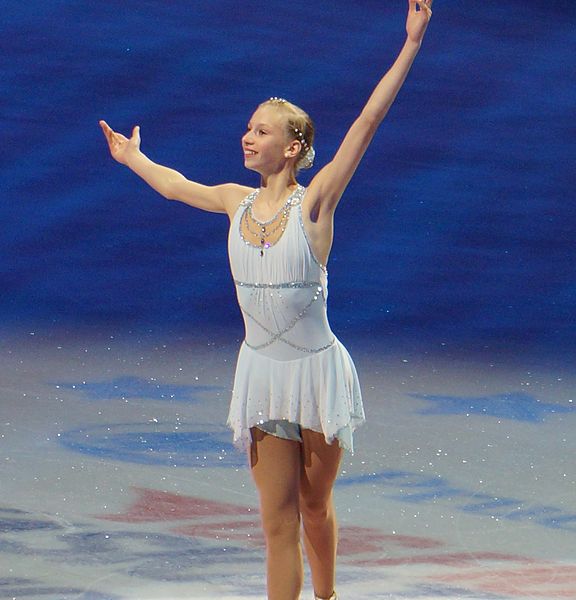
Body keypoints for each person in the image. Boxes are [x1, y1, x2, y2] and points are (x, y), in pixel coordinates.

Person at [100, 2, 432, 598]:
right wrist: (134, 159)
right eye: (248, 128)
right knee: (275, 521)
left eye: (261, 130)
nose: (247, 137)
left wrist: (410, 44)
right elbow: (177, 187)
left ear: (293, 144)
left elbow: (368, 121)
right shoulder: (234, 200)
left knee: (312, 506)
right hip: (259, 374)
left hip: (315, 375)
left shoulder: (316, 204)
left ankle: (327, 595)